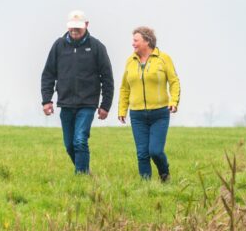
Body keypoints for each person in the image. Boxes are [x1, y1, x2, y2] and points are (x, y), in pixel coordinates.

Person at [40, 10, 114, 175]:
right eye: (72, 27)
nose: (74, 31)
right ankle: (86, 173)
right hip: (66, 104)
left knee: (80, 140)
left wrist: (105, 105)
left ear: (86, 25)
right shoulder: (58, 46)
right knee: (69, 145)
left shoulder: (97, 47)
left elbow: (107, 78)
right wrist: (47, 100)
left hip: (87, 104)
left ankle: (80, 178)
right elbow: (48, 75)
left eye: (78, 28)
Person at [117, 26, 181, 182]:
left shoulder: (163, 58)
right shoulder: (130, 61)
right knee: (142, 153)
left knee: (155, 151)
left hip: (159, 113)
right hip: (137, 114)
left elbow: (174, 82)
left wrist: (173, 101)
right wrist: (122, 109)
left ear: (147, 41)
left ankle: (164, 173)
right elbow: (125, 88)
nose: (133, 44)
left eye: (136, 40)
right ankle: (146, 186)